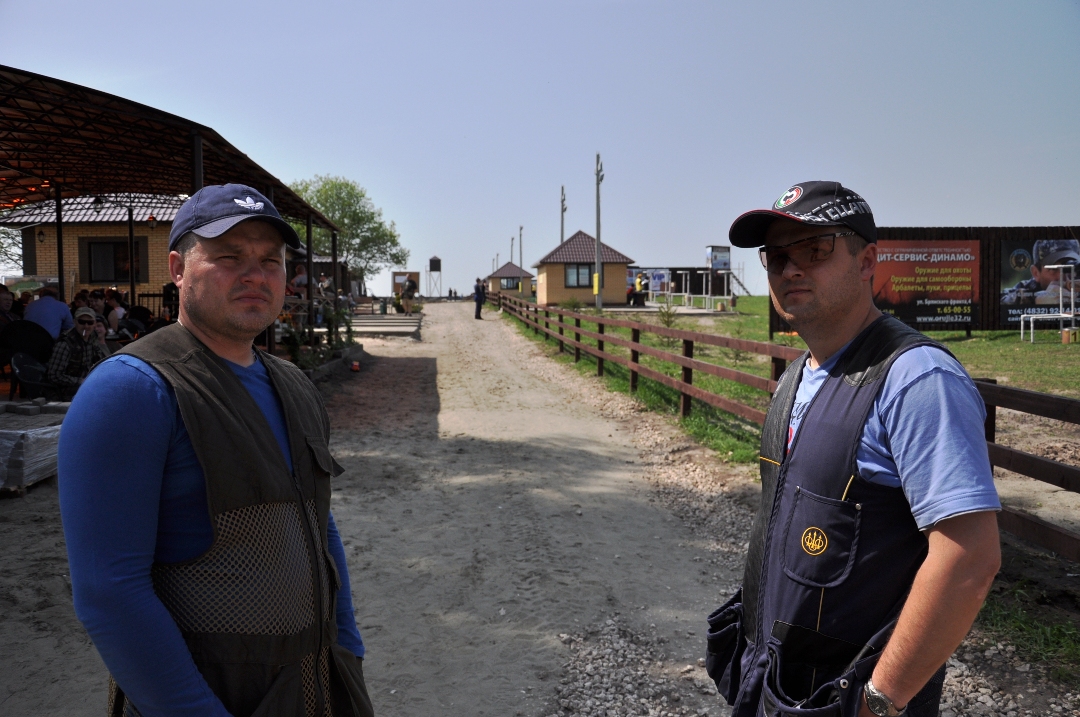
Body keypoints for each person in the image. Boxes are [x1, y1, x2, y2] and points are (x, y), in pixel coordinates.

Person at [58, 184, 373, 716]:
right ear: (178, 269)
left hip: (318, 687)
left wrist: (349, 651)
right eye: (229, 256)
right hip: (215, 695)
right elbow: (110, 593)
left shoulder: (295, 386)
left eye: (270, 260)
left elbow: (319, 522)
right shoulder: (132, 391)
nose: (255, 275)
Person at [707, 181, 1001, 717]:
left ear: (867, 262)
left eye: (815, 250)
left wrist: (878, 700)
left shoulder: (917, 380)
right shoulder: (798, 375)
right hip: (778, 687)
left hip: (845, 700)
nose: (791, 269)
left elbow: (969, 560)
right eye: (777, 256)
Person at [45, 307, 110, 399]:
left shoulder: (93, 338)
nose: (86, 326)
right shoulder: (65, 343)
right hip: (65, 390)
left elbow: (97, 360)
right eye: (82, 322)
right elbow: (54, 376)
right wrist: (81, 381)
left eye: (90, 322)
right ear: (75, 322)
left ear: (94, 323)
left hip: (87, 385)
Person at [1001, 239, 1079, 305]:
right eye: (1053, 269)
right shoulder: (1029, 288)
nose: (1063, 278)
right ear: (1036, 273)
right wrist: (1037, 300)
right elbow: (1002, 300)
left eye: (1069, 267)